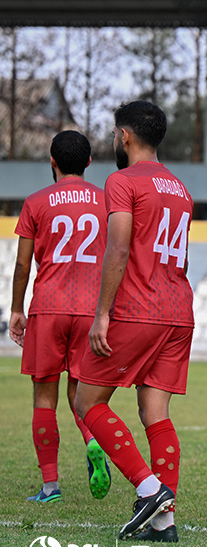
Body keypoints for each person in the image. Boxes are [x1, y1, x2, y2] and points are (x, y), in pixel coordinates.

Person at [73, 101, 194, 544]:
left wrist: (102, 312)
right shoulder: (181, 188)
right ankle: (165, 523)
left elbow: (119, 248)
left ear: (125, 136)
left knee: (89, 402)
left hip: (139, 309)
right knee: (155, 413)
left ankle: (149, 490)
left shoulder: (121, 180)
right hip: (178, 311)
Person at [10, 130, 111, 504]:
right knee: (82, 393)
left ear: (51, 161)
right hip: (90, 309)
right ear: (88, 162)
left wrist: (17, 309)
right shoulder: (106, 201)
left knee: (43, 397)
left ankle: (50, 486)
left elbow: (23, 263)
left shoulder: (36, 202)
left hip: (49, 307)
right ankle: (91, 441)